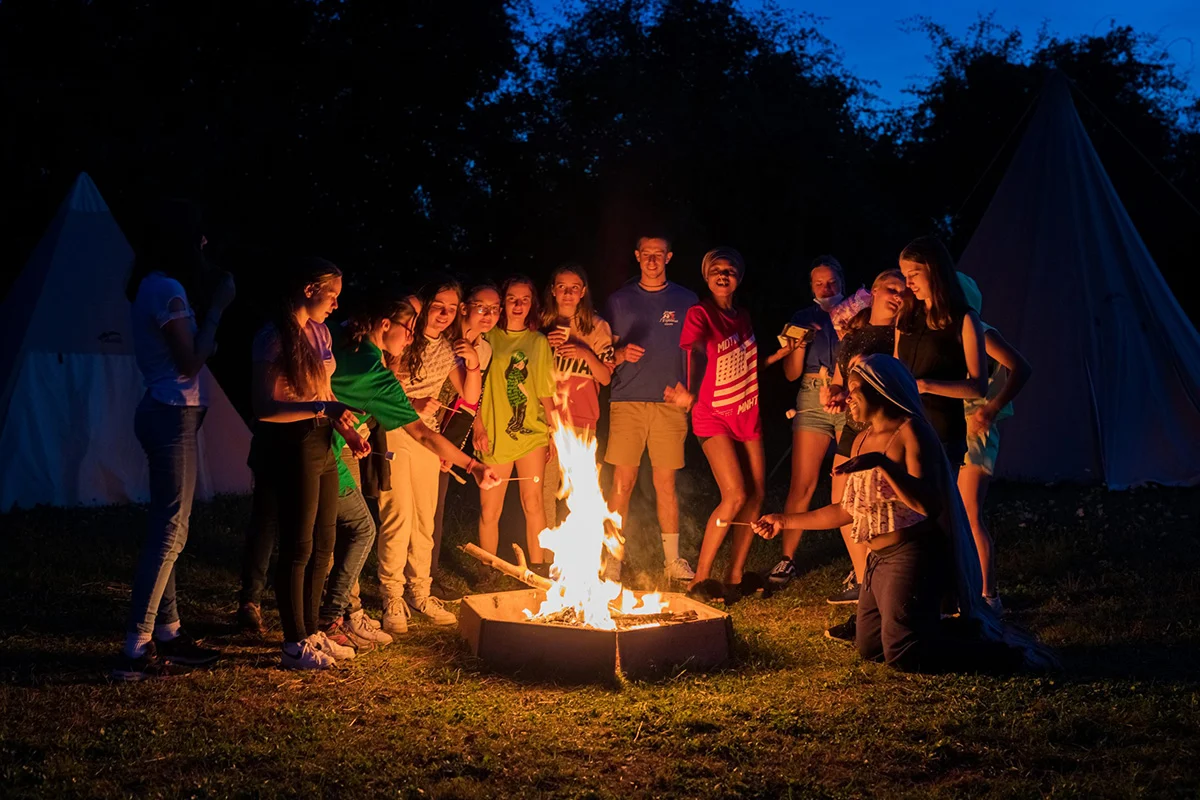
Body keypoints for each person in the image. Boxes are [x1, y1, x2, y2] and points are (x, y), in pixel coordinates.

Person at [754, 354, 1056, 673]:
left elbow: (927, 504)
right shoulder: (860, 440)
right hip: (877, 561)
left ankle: (997, 655)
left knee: (903, 653)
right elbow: (847, 510)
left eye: (855, 388)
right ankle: (940, 631)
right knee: (869, 646)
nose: (847, 396)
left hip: (909, 555)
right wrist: (784, 521)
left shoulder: (911, 432)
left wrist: (883, 465)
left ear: (879, 389)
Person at [322, 294, 500, 640]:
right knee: (355, 529)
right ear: (386, 324)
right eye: (409, 328)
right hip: (328, 446)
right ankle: (348, 613)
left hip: (325, 442)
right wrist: (473, 466)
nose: (410, 337)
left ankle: (346, 614)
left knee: (352, 530)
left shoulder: (345, 340)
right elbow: (419, 431)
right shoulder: (375, 368)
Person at [114, 201, 235, 681]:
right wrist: (218, 313)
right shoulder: (167, 288)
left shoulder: (153, 286)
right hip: (170, 414)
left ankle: (168, 631)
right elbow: (189, 361)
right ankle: (135, 647)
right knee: (170, 533)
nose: (205, 245)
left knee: (168, 529)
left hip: (165, 412)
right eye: (199, 238)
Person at [249, 257, 369, 671]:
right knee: (297, 546)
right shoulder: (273, 336)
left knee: (325, 543)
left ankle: (312, 630)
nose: (336, 304)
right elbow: (264, 407)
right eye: (331, 294)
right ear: (308, 290)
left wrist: (346, 427)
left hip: (322, 439)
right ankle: (293, 642)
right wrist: (320, 406)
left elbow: (326, 388)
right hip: (292, 442)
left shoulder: (319, 332)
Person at [375, 278, 481, 631]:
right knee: (397, 514)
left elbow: (468, 394)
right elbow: (386, 381)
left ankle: (420, 592)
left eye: (452, 309)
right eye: (439, 306)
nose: (444, 314)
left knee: (425, 516)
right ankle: (392, 595)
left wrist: (474, 364)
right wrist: (413, 401)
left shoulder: (449, 349)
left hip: (427, 436)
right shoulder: (407, 339)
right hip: (396, 429)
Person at [665, 248, 763, 594]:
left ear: (739, 277)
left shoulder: (744, 316)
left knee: (756, 495)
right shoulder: (700, 313)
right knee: (734, 494)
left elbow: (743, 361)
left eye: (730, 270)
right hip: (711, 411)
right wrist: (688, 396)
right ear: (706, 276)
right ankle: (700, 577)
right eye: (716, 270)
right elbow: (690, 353)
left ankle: (735, 575)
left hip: (746, 407)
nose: (723, 275)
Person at [603, 234, 699, 581]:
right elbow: (603, 356)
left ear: (669, 257)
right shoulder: (619, 300)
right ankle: (613, 559)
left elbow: (699, 352)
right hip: (627, 400)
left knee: (666, 483)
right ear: (637, 255)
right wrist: (619, 354)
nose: (653, 260)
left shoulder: (687, 300)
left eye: (659, 254)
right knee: (623, 483)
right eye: (647, 254)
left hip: (669, 402)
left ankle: (672, 561)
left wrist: (692, 392)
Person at [957, 273, 1032, 613]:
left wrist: (991, 408)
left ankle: (989, 596)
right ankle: (962, 587)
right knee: (956, 513)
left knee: (970, 513)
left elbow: (1021, 367)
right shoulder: (952, 336)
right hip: (954, 428)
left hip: (976, 429)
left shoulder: (982, 333)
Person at [474, 276, 557, 573]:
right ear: (503, 301)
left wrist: (553, 431)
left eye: (524, 299)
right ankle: (487, 570)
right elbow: (475, 388)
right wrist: (478, 426)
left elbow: (546, 390)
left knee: (533, 502)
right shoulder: (487, 338)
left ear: (532, 303)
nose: (518, 304)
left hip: (530, 434)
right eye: (512, 298)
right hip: (495, 433)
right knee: (489, 509)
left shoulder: (538, 341)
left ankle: (538, 570)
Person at [775, 256, 847, 591]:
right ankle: (787, 558)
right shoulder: (802, 319)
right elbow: (790, 373)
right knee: (802, 482)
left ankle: (861, 560)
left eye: (831, 282)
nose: (826, 288)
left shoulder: (857, 313)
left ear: (842, 282)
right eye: (819, 283)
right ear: (811, 287)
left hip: (850, 396)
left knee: (849, 480)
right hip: (811, 395)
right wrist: (799, 346)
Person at [429, 284, 501, 599]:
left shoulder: (482, 349)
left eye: (495, 309)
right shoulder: (445, 339)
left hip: (446, 437)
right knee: (418, 509)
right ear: (465, 309)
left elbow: (469, 404)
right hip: (422, 428)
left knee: (436, 507)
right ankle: (413, 578)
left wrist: (453, 448)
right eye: (481, 307)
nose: (489, 315)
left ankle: (425, 577)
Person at [895, 236, 987, 468]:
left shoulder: (964, 319)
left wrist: (925, 385)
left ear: (934, 269)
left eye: (913, 275)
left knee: (935, 502)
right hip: (902, 429)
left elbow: (978, 386)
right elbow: (895, 365)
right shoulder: (907, 316)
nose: (908, 283)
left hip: (941, 433)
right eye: (905, 276)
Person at [541, 264, 614, 527]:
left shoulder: (596, 326)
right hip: (546, 418)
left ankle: (579, 550)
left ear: (583, 292)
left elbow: (605, 377)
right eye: (562, 287)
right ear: (553, 290)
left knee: (579, 489)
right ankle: (547, 557)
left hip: (582, 417)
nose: (568, 293)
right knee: (546, 489)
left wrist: (583, 352)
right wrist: (542, 344)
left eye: (574, 288)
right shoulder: (543, 324)